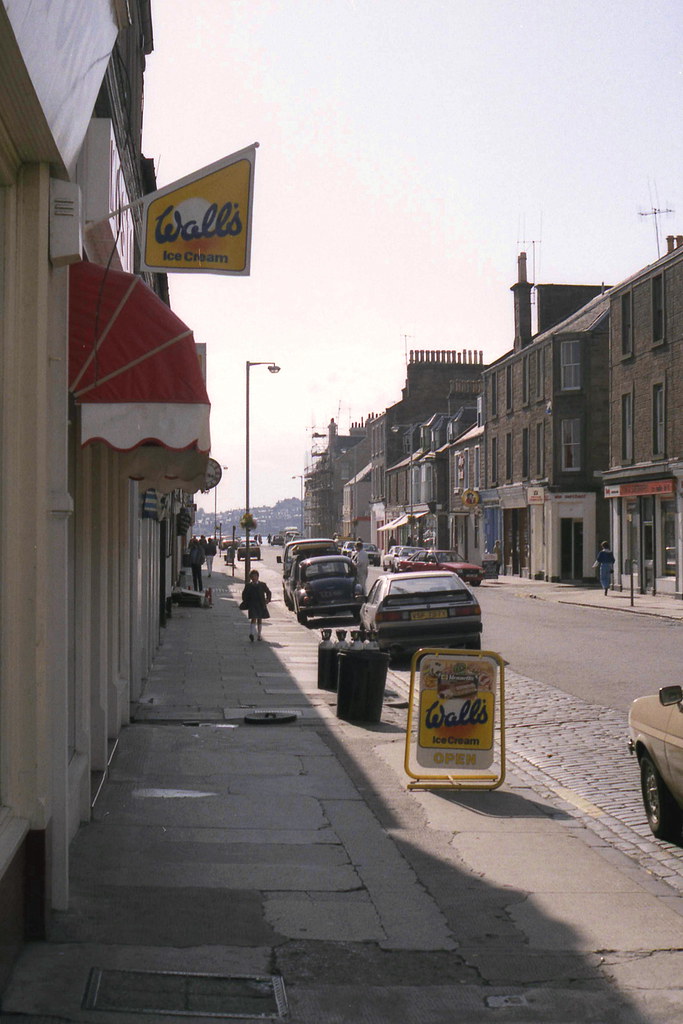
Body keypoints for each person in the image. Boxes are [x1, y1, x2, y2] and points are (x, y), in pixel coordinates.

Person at [241, 569, 272, 641]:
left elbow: (268, 592)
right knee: (253, 618)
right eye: (252, 577)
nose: (254, 578)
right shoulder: (248, 586)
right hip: (252, 604)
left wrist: (267, 599)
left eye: (255, 576)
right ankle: (251, 633)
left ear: (258, 577)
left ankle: (259, 635)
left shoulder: (262, 585)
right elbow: (244, 594)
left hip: (261, 604)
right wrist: (246, 601)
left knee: (260, 619)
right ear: (251, 578)